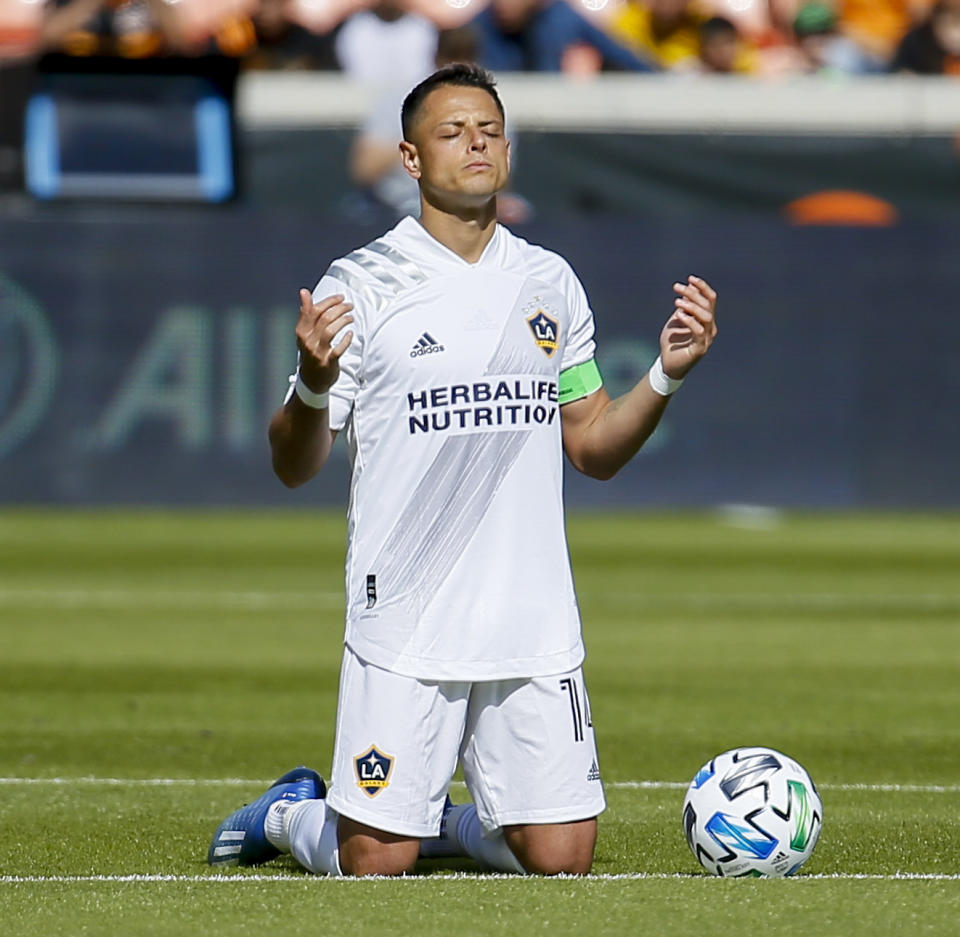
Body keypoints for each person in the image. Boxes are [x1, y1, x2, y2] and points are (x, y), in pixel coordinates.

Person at [208, 63, 717, 877]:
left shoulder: (549, 281)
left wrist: (665, 375)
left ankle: (439, 821)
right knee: (375, 863)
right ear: (410, 158)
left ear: (508, 149)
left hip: (530, 614)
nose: (475, 143)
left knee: (563, 862)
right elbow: (294, 464)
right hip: (408, 614)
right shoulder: (363, 284)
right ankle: (291, 815)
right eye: (452, 131)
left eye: (488, 130)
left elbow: (591, 444)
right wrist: (311, 382)